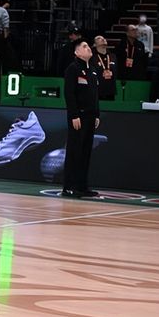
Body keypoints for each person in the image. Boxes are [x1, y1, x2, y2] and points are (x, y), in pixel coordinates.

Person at [62, 39, 100, 198]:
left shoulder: (93, 70)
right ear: (77, 52)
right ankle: (69, 187)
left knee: (85, 152)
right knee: (74, 151)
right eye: (84, 46)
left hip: (91, 116)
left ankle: (82, 186)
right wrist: (74, 115)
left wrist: (97, 114)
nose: (88, 48)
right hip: (79, 116)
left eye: (88, 46)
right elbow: (69, 93)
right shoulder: (73, 69)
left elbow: (95, 95)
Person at [93, 35, 117, 100]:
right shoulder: (92, 57)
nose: (103, 39)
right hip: (97, 90)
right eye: (99, 38)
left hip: (110, 90)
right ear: (95, 44)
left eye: (104, 38)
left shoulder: (113, 56)